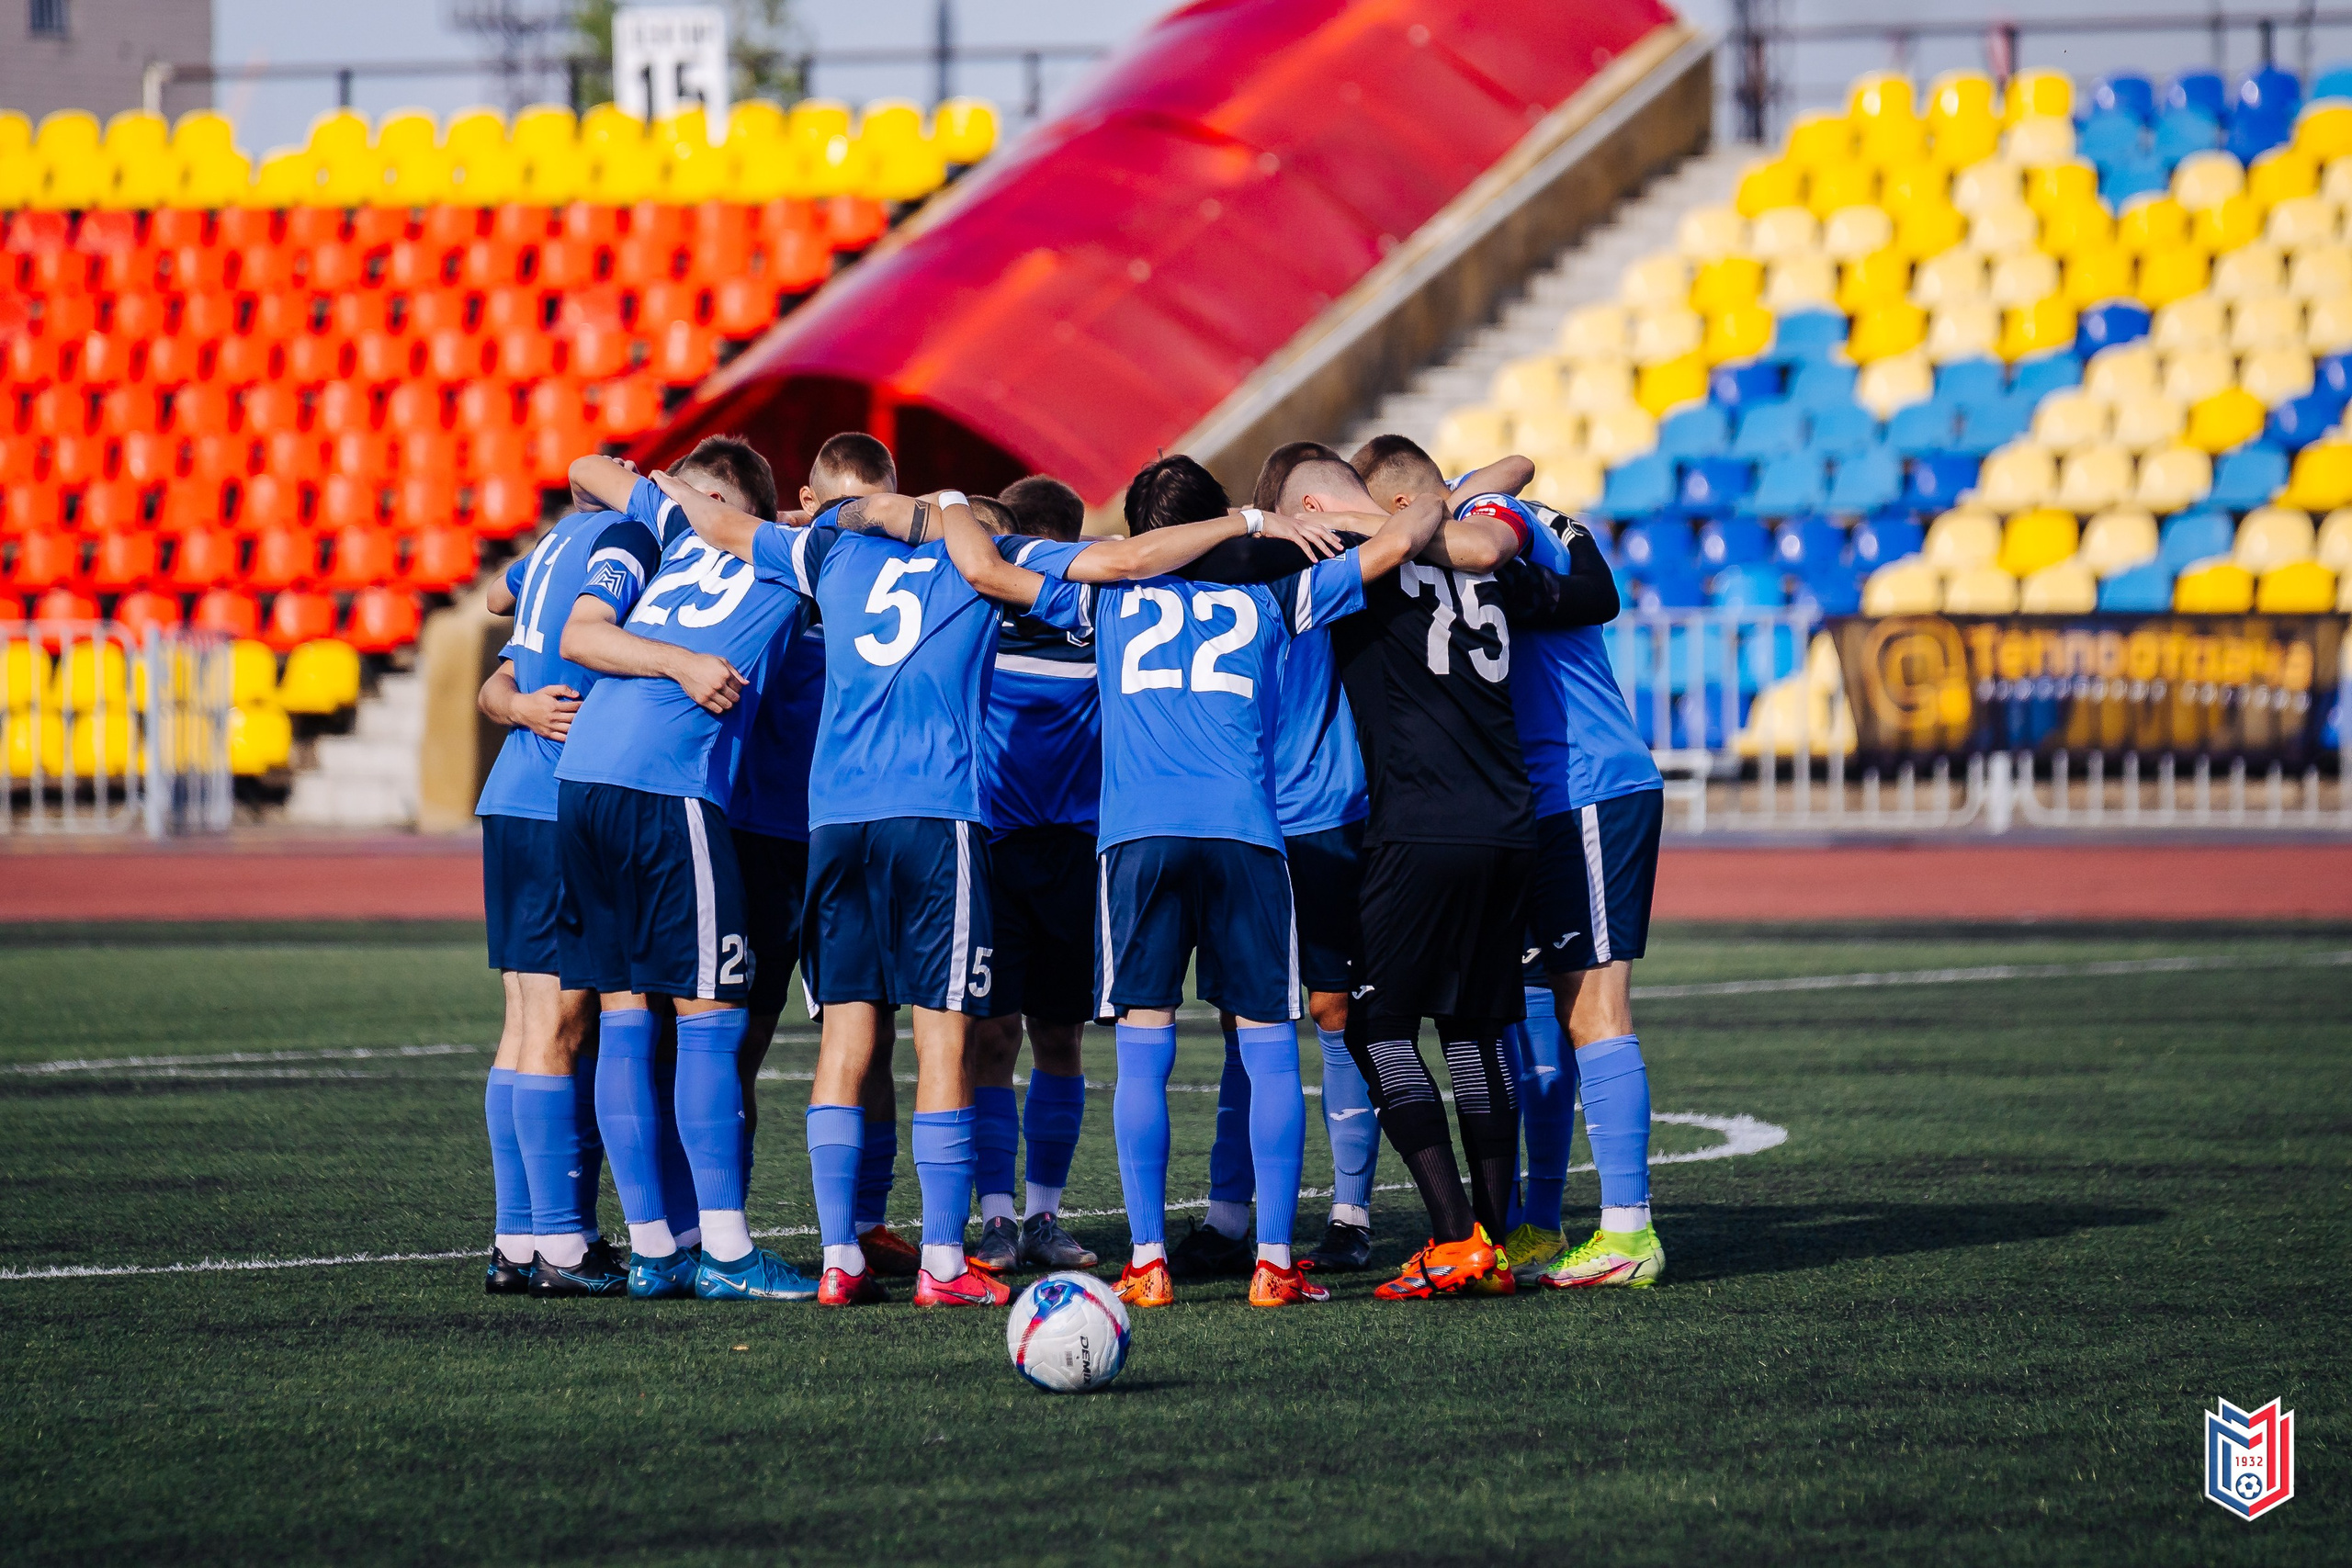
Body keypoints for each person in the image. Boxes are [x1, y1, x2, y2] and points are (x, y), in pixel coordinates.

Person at [654, 473, 1291, 1308]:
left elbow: (720, 525)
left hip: (847, 822)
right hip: (945, 824)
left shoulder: (837, 555)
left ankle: (847, 1255)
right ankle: (948, 1257)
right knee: (950, 1042)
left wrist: (669, 493)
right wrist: (1249, 518)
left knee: (854, 1041)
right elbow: (1122, 560)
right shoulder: (985, 566)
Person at [944, 455, 1448, 1311]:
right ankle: (1275, 1262)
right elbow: (1398, 544)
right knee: (1267, 1045)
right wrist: (1432, 502)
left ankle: (1147, 1261)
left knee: (1144, 1046)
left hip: (1137, 838)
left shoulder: (1106, 597)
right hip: (1245, 834)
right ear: (1218, 517)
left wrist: (947, 499)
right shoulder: (1272, 598)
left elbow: (990, 566)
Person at [1354, 435, 1668, 1289]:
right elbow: (1516, 470)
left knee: (1595, 1006)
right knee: (1540, 1012)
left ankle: (1629, 1230)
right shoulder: (1470, 502)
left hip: (1585, 782)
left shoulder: (1487, 519)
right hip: (1533, 797)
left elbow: (1499, 522)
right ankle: (1537, 1222)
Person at [554, 437, 823, 1303]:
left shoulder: (676, 527)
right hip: (669, 786)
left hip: (582, 781)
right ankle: (728, 1253)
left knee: (626, 1016)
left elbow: (586, 467)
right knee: (712, 1020)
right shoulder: (798, 560)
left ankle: (653, 1250)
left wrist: (670, 491)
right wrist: (684, 662)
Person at [1270, 448, 1532, 1301]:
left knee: (1378, 1027)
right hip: (1507, 817)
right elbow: (1516, 465)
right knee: (1475, 1032)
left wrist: (1337, 523)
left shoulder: (1363, 559)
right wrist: (1436, 504)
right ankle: (1492, 1245)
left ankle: (1454, 1237)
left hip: (1418, 823)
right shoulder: (1472, 545)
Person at [470, 465, 651, 1296]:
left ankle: (515, 1241)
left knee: (521, 1022)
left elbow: (494, 607)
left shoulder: (549, 547)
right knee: (557, 1024)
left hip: (510, 794)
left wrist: (515, 703)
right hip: (555, 798)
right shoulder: (625, 539)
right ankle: (562, 1246)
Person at [749, 431, 924, 1283]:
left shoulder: (878, 569)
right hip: (763, 834)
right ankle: (713, 1226)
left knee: (868, 1029)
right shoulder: (778, 569)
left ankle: (862, 1222)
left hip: (833, 831)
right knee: (740, 1036)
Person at [964, 478, 1102, 1275]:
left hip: (1074, 850)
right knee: (994, 1034)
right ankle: (997, 1218)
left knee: (1055, 1035)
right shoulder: (976, 606)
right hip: (993, 846)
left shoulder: (1101, 611)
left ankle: (1044, 1214)